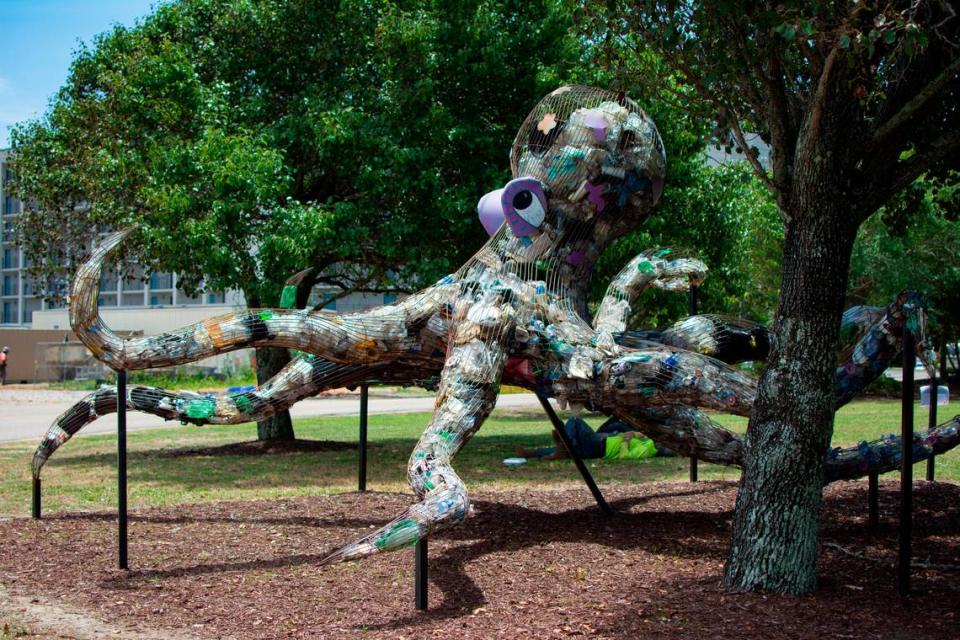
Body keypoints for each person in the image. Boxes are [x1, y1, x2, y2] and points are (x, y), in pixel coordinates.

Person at [515, 415, 675, 461]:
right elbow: (638, 434)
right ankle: (529, 453)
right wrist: (634, 434)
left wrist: (625, 441)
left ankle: (564, 445)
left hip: (600, 447)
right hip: (599, 444)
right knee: (573, 448)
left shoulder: (648, 451)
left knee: (575, 421)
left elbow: (625, 456)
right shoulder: (649, 441)